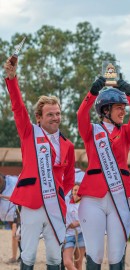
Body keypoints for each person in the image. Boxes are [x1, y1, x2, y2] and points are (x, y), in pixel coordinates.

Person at [4, 58, 75, 270]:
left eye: (58, 113)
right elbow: (17, 106)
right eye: (50, 114)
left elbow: (69, 178)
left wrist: (63, 198)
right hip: (31, 203)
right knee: (29, 254)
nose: (55, 118)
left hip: (55, 206)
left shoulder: (68, 145)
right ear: (39, 117)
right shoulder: (29, 133)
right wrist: (11, 78)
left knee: (55, 257)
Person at [77, 75, 130, 269]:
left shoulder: (126, 132)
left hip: (119, 197)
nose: (124, 112)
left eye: (124, 108)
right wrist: (92, 92)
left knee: (116, 254)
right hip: (93, 199)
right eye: (119, 108)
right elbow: (81, 114)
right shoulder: (91, 131)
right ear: (106, 110)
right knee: (95, 253)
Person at [63, 183, 86, 270]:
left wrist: (79, 223)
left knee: (78, 264)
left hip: (81, 235)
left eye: (78, 190)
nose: (76, 192)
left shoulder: (85, 204)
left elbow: (90, 218)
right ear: (72, 191)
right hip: (68, 235)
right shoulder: (66, 202)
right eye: (75, 190)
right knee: (67, 262)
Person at [0, 174, 20, 264]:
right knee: (15, 234)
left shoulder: (13, 182)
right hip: (10, 210)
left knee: (16, 234)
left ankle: (15, 257)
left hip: (17, 211)